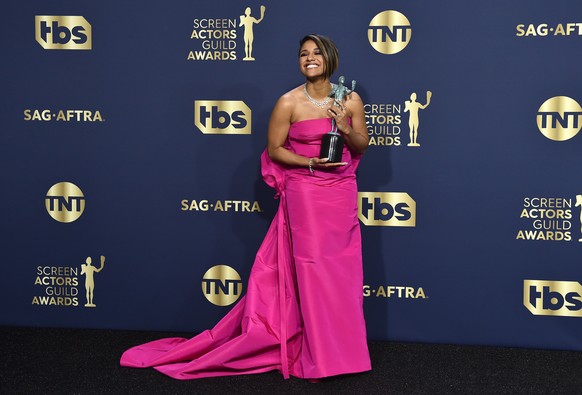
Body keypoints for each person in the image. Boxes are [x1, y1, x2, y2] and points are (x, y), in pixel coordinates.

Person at [120, 34, 371, 381]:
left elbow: (361, 144)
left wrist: (344, 127)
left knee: (343, 274)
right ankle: (320, 357)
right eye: (303, 54)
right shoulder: (289, 103)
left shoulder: (351, 100)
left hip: (341, 191)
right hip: (307, 194)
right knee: (312, 272)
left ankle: (347, 355)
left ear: (331, 59)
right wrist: (310, 164)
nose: (309, 58)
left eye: (316, 53)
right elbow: (275, 150)